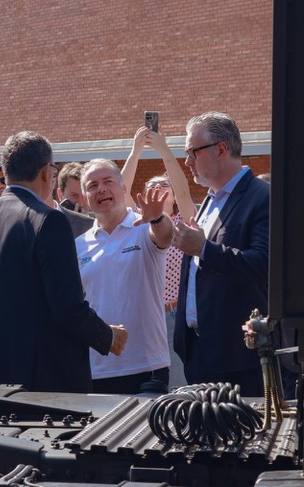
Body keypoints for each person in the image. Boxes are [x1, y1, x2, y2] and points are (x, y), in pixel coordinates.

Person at [0, 131, 127, 393]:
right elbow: (66, 306)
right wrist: (107, 336)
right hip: (42, 384)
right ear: (48, 172)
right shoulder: (49, 221)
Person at [172, 111, 269, 396]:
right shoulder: (210, 201)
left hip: (237, 358)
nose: (188, 161)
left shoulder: (262, 198)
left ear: (221, 149)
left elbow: (263, 265)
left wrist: (203, 248)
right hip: (198, 354)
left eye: (193, 152)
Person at [75, 158, 174, 394]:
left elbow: (165, 236)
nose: (101, 189)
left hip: (147, 367)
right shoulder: (78, 246)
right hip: (97, 369)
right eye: (92, 185)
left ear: (123, 187)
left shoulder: (144, 227)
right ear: (86, 196)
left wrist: (158, 218)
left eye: (108, 181)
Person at [121, 126, 198, 388]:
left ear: (173, 197)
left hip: (177, 313)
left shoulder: (183, 221)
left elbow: (184, 188)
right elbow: (121, 190)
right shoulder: (137, 224)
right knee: (151, 384)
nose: (157, 187)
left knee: (180, 384)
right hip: (146, 312)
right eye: (151, 185)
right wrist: (135, 152)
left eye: (164, 185)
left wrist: (164, 150)